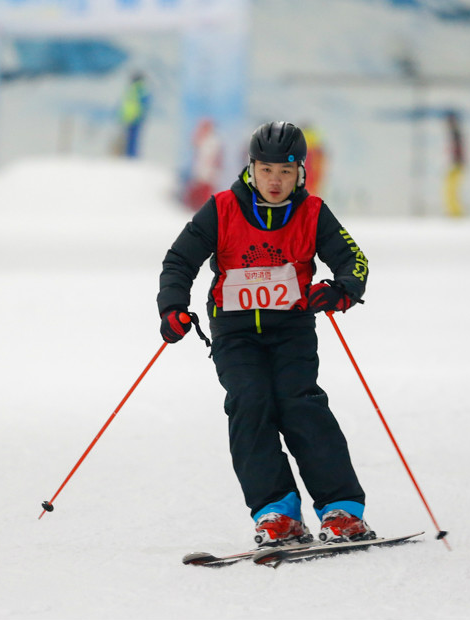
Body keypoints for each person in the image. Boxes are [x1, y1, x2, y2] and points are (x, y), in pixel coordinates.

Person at [157, 121, 373, 547]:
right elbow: (179, 261)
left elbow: (354, 261)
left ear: (301, 174)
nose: (275, 181)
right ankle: (277, 511)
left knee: (299, 404)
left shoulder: (312, 212)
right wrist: (172, 308)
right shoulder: (221, 209)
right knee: (250, 404)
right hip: (234, 333)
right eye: (267, 170)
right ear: (251, 168)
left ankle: (342, 509)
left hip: (291, 329)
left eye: (286, 172)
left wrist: (342, 290)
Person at [120, 72, 150, 158]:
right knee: (132, 138)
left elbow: (139, 104)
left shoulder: (138, 89)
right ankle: (130, 155)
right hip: (134, 116)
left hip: (134, 117)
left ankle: (131, 155)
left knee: (132, 138)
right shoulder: (140, 89)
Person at [444, 110, 465, 217]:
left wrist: (455, 163)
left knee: (451, 190)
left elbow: (458, 150)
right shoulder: (455, 133)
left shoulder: (455, 133)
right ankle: (454, 212)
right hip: (457, 164)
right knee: (451, 189)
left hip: (456, 165)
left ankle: (456, 213)